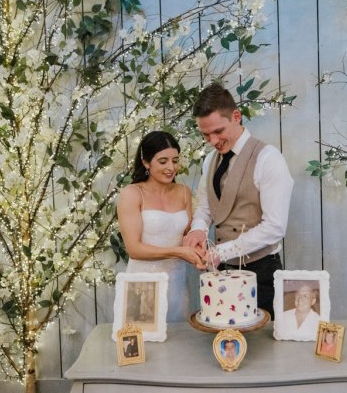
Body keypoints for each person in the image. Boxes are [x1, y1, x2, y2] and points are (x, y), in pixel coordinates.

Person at [183, 83, 294, 318]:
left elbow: (275, 227)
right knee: (224, 347)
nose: (213, 141)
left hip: (262, 274)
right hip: (221, 274)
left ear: (236, 116)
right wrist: (198, 230)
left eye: (218, 131)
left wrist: (221, 252)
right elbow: (205, 206)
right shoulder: (210, 160)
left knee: (261, 351)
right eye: (205, 135)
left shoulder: (269, 159)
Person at [117, 131, 206, 322]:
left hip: (177, 284)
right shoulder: (132, 194)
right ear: (146, 162)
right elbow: (134, 249)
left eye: (175, 160)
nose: (171, 167)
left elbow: (186, 237)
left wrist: (199, 252)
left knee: (178, 341)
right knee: (144, 343)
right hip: (143, 285)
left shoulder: (183, 192)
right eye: (163, 161)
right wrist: (179, 252)